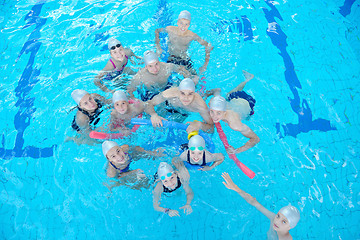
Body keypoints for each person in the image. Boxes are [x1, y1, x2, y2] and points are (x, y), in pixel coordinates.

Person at [222, 172, 300, 240]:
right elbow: (254, 203)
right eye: (278, 216)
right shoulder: (273, 218)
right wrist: (235, 187)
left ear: (290, 227)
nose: (277, 221)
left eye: (284, 221)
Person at [208, 71, 259, 155]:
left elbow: (256, 139)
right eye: (212, 112)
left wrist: (236, 151)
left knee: (248, 118)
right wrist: (206, 95)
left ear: (224, 112)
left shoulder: (235, 124)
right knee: (228, 95)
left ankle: (248, 79)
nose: (214, 116)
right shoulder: (213, 103)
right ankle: (247, 80)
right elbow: (216, 92)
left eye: (218, 113)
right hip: (236, 97)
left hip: (248, 103)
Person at [146, 78, 214, 133]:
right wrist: (154, 115)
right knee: (153, 126)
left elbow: (211, 128)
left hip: (183, 113)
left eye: (190, 94)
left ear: (194, 93)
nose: (186, 98)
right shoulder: (169, 93)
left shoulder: (200, 105)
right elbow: (148, 104)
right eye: (182, 93)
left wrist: (199, 125)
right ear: (178, 92)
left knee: (171, 131)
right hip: (167, 105)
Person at [155, 10, 213, 75]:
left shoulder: (191, 35)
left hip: (184, 59)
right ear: (177, 22)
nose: (183, 26)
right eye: (181, 23)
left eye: (186, 24)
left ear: (189, 25)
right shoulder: (170, 29)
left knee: (194, 77)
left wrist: (205, 65)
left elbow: (208, 45)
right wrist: (158, 46)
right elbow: (157, 31)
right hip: (171, 58)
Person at [127, 50, 196, 101]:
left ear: (159, 62)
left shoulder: (167, 67)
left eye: (156, 64)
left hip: (167, 87)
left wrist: (190, 80)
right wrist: (135, 101)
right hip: (150, 95)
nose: (154, 69)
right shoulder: (140, 76)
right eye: (150, 66)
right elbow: (129, 90)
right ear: (145, 66)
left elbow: (182, 70)